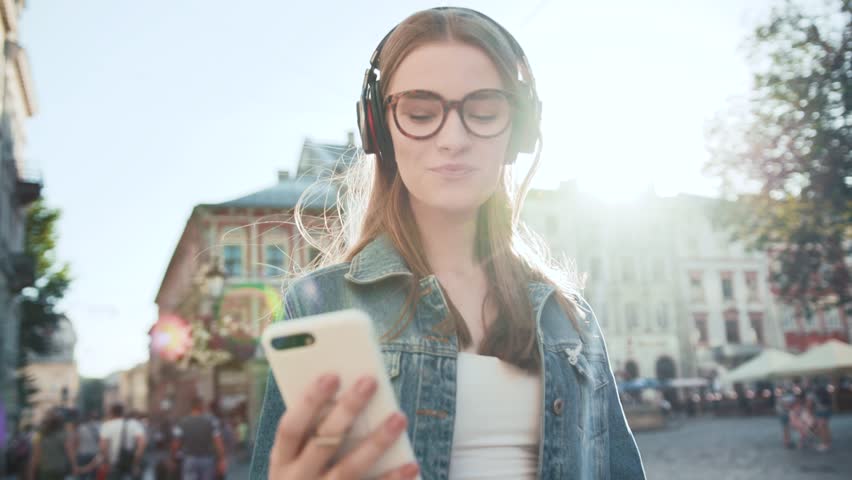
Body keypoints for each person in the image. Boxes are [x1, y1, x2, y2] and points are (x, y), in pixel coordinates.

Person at [250, 6, 645, 479]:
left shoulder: (570, 317)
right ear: (379, 127)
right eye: (420, 113)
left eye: (483, 112)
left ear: (517, 130)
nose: (453, 139)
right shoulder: (320, 306)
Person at [170, 397, 228, 480]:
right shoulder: (211, 421)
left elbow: (176, 442)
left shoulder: (182, 422)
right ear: (202, 407)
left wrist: (173, 458)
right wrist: (222, 459)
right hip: (207, 459)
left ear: (191, 407)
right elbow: (218, 441)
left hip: (189, 459)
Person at [99, 403, 146, 479]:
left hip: (113, 464)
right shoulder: (133, 424)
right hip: (130, 462)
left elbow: (103, 447)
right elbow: (142, 442)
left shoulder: (107, 425)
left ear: (111, 413)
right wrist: (136, 460)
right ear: (123, 412)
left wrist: (106, 462)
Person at [27, 408, 76, 480]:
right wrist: (74, 466)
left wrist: (31, 472)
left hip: (45, 470)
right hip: (59, 470)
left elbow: (35, 456)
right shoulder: (63, 434)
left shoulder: (40, 435)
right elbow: (70, 451)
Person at [73, 412, 102, 479]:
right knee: (94, 476)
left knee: (82, 476)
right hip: (96, 455)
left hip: (82, 454)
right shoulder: (101, 427)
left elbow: (76, 443)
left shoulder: (81, 428)